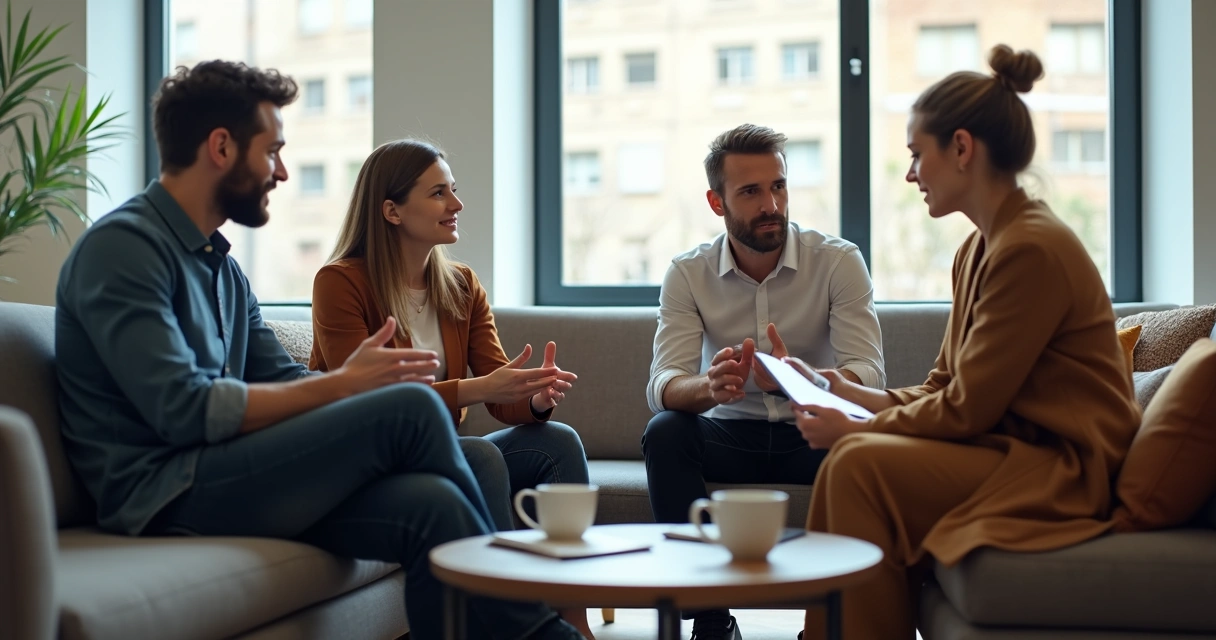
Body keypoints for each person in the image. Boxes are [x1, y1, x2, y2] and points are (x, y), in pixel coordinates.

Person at [54, 60, 585, 640]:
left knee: (431, 503)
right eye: (273, 151)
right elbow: (184, 410)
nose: (282, 172)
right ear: (222, 147)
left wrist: (349, 387)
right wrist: (346, 383)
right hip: (164, 492)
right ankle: (539, 633)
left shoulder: (223, 271)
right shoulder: (124, 249)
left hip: (222, 470)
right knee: (413, 408)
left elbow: (281, 378)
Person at [786, 45, 1141, 640]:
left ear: (960, 148)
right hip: (1007, 445)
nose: (910, 174)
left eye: (915, 155)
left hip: (1063, 467)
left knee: (856, 463)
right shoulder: (978, 248)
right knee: (854, 460)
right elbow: (945, 388)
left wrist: (858, 428)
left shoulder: (1029, 248)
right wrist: (850, 394)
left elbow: (969, 409)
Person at [309, 138, 594, 638]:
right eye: (439, 193)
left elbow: (498, 390)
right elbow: (372, 402)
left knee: (557, 441)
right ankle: (512, 622)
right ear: (392, 210)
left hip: (444, 452)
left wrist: (532, 398)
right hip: (375, 458)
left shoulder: (461, 284)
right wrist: (480, 387)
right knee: (479, 457)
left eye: (454, 191)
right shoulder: (340, 282)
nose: (457, 205)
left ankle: (574, 618)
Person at [641, 123, 886, 639]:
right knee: (666, 431)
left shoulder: (838, 261)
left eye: (778, 186)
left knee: (865, 447)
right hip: (729, 433)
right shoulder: (688, 274)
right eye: (750, 191)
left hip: (813, 427)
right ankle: (709, 619)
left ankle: (823, 624)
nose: (770, 203)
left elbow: (869, 372)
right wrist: (707, 389)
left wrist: (805, 381)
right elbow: (663, 381)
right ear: (716, 202)